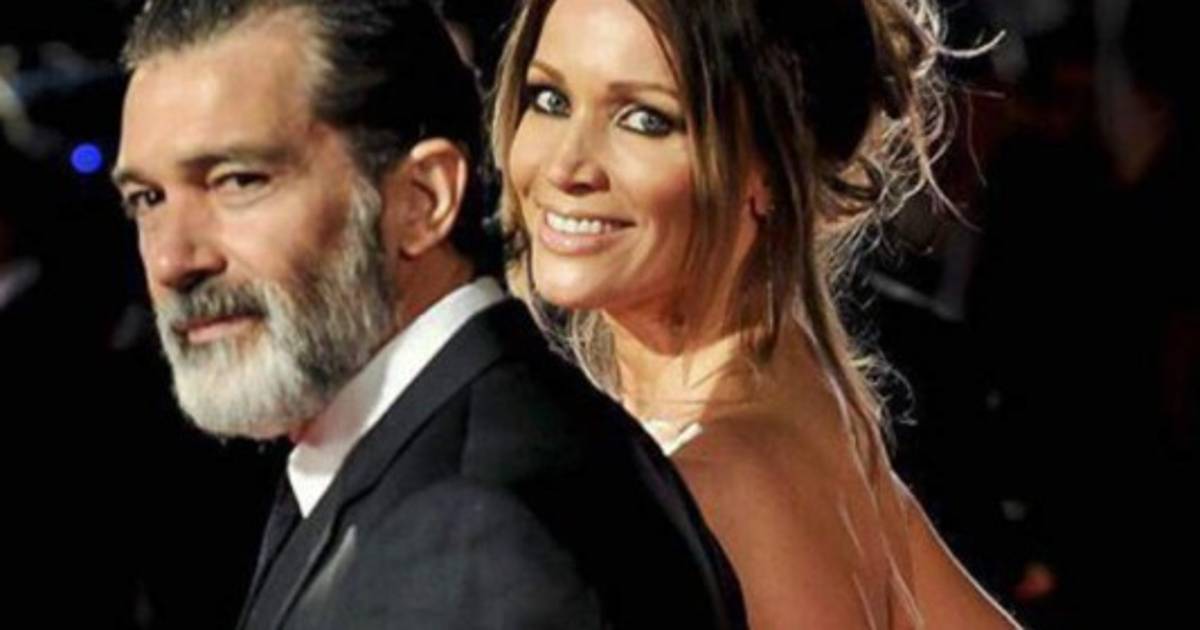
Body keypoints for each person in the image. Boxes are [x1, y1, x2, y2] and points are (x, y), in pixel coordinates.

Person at [112, 1, 747, 628]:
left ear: (422, 200)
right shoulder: (427, 451)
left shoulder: (483, 536)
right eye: (147, 198)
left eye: (238, 181)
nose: (172, 259)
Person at [491, 0, 1022, 627]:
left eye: (645, 119)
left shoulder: (713, 487)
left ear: (769, 165)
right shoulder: (813, 411)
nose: (564, 167)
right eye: (550, 99)